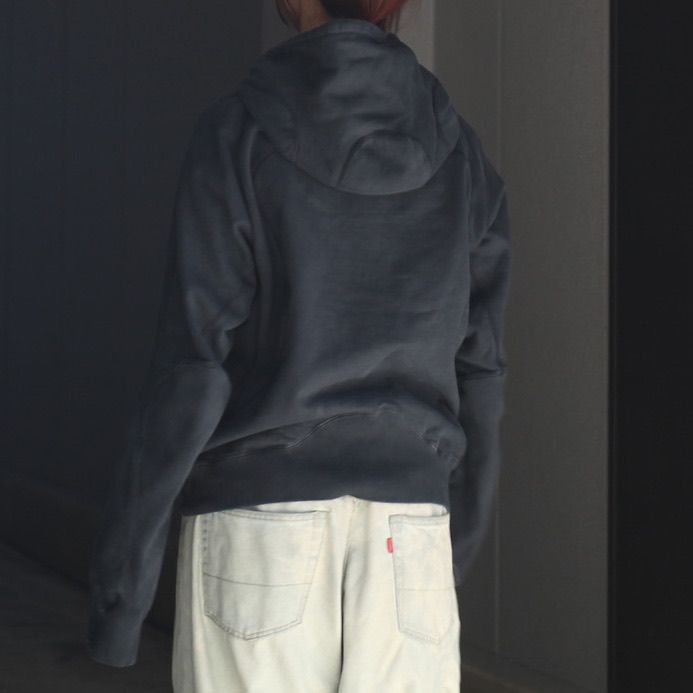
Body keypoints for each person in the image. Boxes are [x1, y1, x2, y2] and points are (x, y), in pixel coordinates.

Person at [86, 0, 511, 690]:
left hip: (259, 524)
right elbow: (480, 372)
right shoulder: (465, 156)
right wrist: (441, 552)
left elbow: (192, 368)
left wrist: (121, 588)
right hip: (412, 535)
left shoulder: (235, 133)